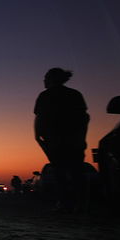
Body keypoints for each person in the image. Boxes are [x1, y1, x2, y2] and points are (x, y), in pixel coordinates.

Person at [34, 67, 89, 212]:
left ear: (52, 79)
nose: (44, 81)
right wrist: (82, 137)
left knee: (61, 171)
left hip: (56, 140)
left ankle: (66, 203)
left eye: (46, 78)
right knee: (75, 171)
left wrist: (38, 136)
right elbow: (84, 119)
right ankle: (78, 203)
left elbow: (39, 118)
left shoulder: (45, 96)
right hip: (73, 139)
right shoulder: (74, 94)